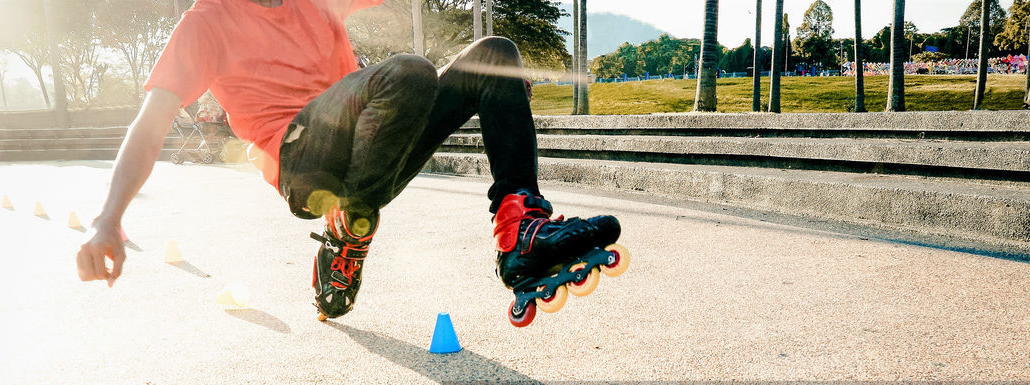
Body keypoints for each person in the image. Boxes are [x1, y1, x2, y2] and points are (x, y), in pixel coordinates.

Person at [76, 0, 621, 325]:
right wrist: (108, 217)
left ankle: (519, 233)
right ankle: (349, 221)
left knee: (493, 56)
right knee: (408, 72)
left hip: (375, 143)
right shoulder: (207, 22)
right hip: (302, 163)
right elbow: (151, 121)